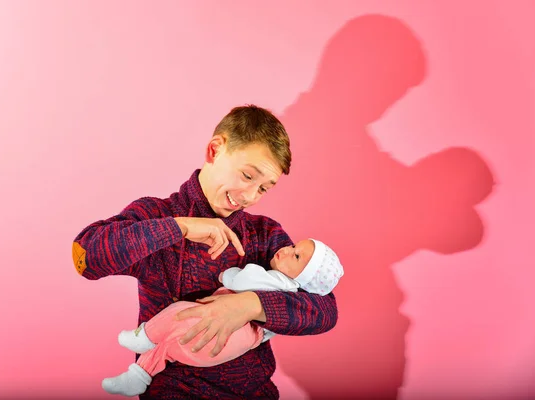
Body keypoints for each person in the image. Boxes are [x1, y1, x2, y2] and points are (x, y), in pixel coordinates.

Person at [71, 104, 338, 399]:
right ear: (214, 151)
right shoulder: (158, 215)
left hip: (254, 391)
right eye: (248, 176)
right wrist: (178, 227)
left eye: (264, 189)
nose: (250, 196)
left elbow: (325, 310)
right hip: (175, 389)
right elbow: (85, 258)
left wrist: (248, 305)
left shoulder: (264, 234)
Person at [101, 238, 344, 396]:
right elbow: (93, 255)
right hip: (233, 345)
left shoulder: (274, 274)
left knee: (178, 316)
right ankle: (137, 376)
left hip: (228, 337)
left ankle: (143, 336)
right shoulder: (295, 290)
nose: (287, 250)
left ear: (305, 278)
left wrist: (245, 297)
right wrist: (181, 227)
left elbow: (238, 279)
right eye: (293, 247)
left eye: (297, 256)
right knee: (173, 345)